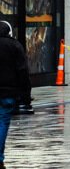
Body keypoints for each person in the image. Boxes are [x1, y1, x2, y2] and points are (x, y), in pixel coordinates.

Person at [0, 21, 31, 169]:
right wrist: (26, 94)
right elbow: (23, 71)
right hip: (8, 91)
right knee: (3, 123)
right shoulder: (15, 46)